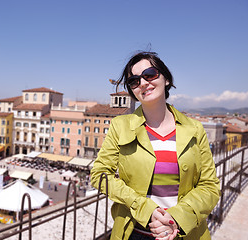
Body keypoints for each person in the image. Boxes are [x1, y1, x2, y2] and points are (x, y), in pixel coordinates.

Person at [90, 51, 220, 240]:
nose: (142, 83)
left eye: (149, 74)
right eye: (134, 81)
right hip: (134, 234)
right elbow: (100, 175)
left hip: (185, 233)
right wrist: (144, 208)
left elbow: (209, 186)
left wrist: (177, 218)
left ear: (166, 78)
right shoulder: (120, 126)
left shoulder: (195, 129)